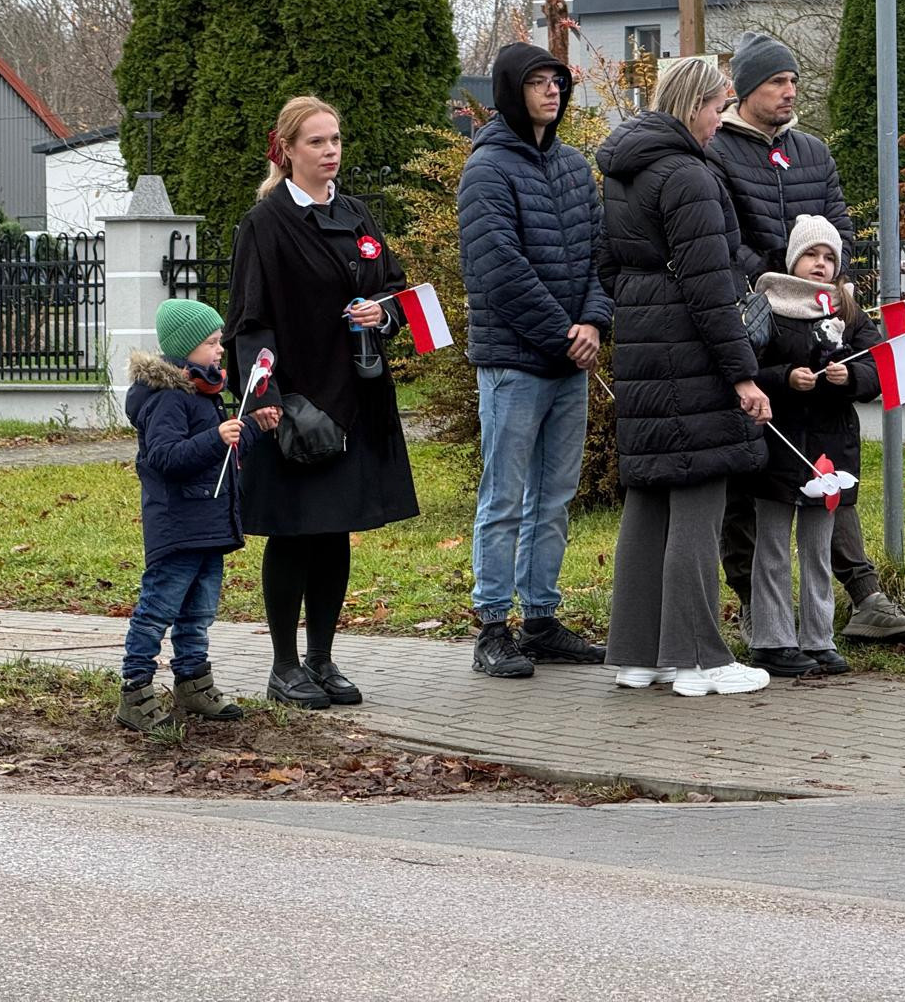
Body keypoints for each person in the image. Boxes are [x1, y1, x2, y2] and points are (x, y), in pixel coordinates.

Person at [708, 31, 905, 644]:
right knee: (753, 471)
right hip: (754, 323)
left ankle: (864, 597)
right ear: (746, 89)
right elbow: (724, 241)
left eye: (793, 81)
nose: (789, 91)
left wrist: (830, 284)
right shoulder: (718, 153)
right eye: (776, 82)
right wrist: (775, 286)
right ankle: (756, 601)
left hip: (823, 325)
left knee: (828, 461)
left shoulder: (812, 152)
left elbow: (840, 227)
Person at [223, 95, 419, 710]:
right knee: (295, 533)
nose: (330, 152)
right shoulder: (265, 224)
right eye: (316, 142)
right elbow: (249, 322)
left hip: (358, 396)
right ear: (286, 151)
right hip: (299, 405)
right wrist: (265, 396)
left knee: (335, 532)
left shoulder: (358, 214)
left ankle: (323, 659)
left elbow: (394, 285)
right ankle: (284, 667)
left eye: (335, 140)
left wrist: (381, 311)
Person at [597, 55, 774, 698]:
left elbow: (608, 268)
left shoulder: (622, 172)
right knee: (699, 500)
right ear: (693, 104)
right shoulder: (692, 177)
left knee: (648, 502)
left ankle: (637, 654)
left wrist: (648, 308)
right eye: (718, 106)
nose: (721, 120)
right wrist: (743, 376)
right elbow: (710, 289)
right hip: (692, 355)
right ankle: (697, 657)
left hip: (643, 350)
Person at [456, 42, 614, 678]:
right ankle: (492, 626)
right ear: (509, 91)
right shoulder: (487, 171)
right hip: (515, 364)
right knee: (505, 499)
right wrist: (563, 333)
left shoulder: (575, 167)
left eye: (558, 81)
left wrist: (595, 323)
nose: (552, 90)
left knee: (554, 497)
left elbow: (601, 258)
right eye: (538, 82)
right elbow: (498, 269)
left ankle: (541, 620)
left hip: (568, 363)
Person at [118, 299, 281, 732]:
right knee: (158, 609)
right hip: (178, 526)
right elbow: (164, 457)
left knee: (199, 613)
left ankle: (193, 681)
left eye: (218, 341)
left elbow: (223, 458)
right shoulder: (170, 397)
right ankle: (135, 690)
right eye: (211, 342)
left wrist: (251, 428)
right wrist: (215, 436)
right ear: (184, 348)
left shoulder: (206, 391)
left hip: (209, 524)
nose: (220, 349)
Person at [742, 216, 881, 677]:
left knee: (818, 548)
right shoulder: (766, 304)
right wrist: (784, 378)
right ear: (792, 260)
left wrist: (851, 377)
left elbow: (876, 369)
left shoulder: (849, 310)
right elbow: (745, 366)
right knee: (773, 547)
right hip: (778, 443)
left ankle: (819, 639)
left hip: (829, 450)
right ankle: (772, 639)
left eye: (828, 258)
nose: (820, 265)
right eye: (811, 255)